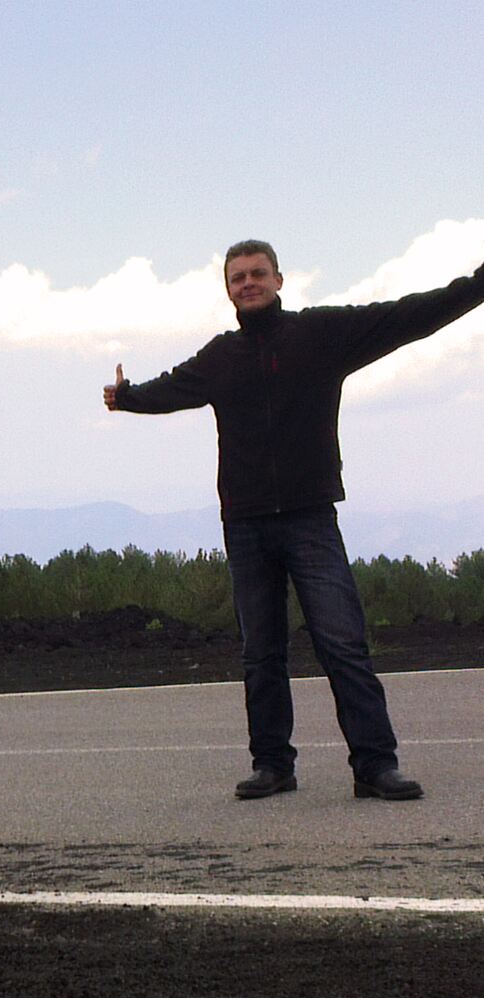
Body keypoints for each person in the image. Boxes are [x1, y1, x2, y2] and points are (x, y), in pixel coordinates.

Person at [103, 238, 484, 800]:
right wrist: (128, 397)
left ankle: (376, 766)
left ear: (279, 279)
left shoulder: (321, 335)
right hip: (247, 525)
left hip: (310, 520)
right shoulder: (220, 357)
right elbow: (170, 388)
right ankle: (272, 765)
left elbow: (408, 316)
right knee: (261, 652)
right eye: (238, 278)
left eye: (258, 274)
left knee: (343, 643)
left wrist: (476, 285)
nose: (249, 283)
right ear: (229, 290)